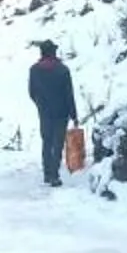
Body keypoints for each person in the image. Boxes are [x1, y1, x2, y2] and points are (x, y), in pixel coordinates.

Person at [27, 39, 77, 187]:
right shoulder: (62, 70)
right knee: (58, 143)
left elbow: (32, 92)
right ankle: (54, 174)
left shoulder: (34, 70)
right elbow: (69, 94)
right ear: (54, 52)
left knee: (47, 142)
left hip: (44, 113)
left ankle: (47, 174)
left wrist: (40, 104)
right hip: (61, 113)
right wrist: (74, 114)